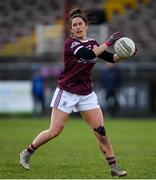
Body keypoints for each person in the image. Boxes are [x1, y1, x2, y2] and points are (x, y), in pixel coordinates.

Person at [19, 8, 131, 177]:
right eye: (74, 25)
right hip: (66, 92)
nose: (78, 27)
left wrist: (126, 54)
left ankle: (114, 167)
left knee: (100, 131)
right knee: (54, 131)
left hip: (86, 94)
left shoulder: (93, 43)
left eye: (80, 24)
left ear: (86, 26)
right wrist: (108, 42)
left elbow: (112, 59)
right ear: (71, 29)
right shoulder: (71, 43)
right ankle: (27, 152)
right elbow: (87, 55)